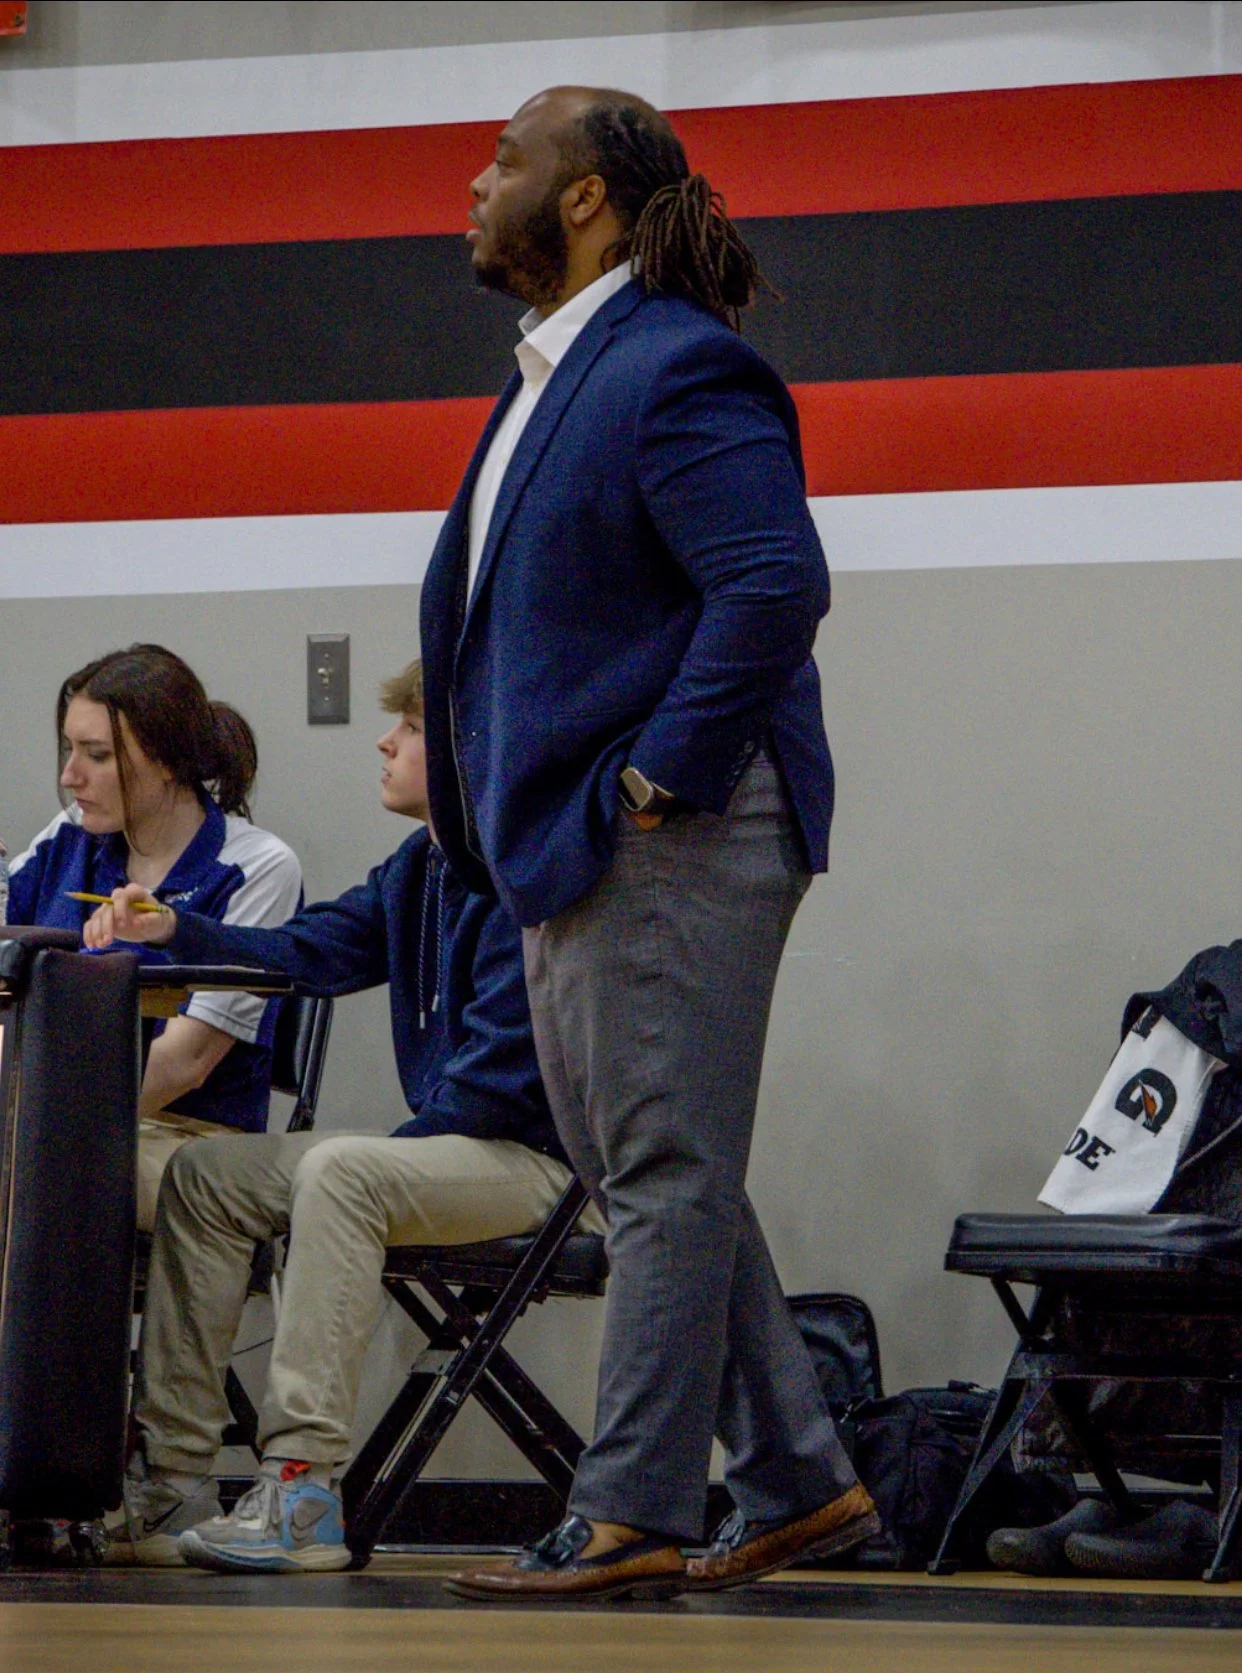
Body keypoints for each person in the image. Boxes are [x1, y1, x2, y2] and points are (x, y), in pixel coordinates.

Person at [418, 87, 879, 1603]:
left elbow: (769, 585)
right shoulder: (555, 376)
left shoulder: (675, 365)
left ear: (588, 201)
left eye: (504, 163)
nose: (474, 184)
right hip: (583, 830)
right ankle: (800, 1482)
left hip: (679, 822)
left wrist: (657, 781)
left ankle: (630, 1509)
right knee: (651, 1164)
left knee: (662, 1164)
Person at [89, 660, 602, 1571]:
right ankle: (173, 1482)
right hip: (452, 1151)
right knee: (207, 1178)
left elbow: (496, 1086)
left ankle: (302, 1485)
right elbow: (310, 948)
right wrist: (177, 930)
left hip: (535, 1167)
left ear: (463, 749)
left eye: (406, 727)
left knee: (342, 1169)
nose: (386, 741)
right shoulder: (423, 865)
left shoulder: (525, 869)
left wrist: (368, 1152)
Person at [8, 644, 301, 1229]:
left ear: (167, 761)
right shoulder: (70, 834)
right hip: (44, 1120)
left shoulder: (257, 866)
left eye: (96, 755)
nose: (69, 776)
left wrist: (33, 1118)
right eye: (69, 750)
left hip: (188, 1135)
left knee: (28, 1172)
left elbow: (186, 1061)